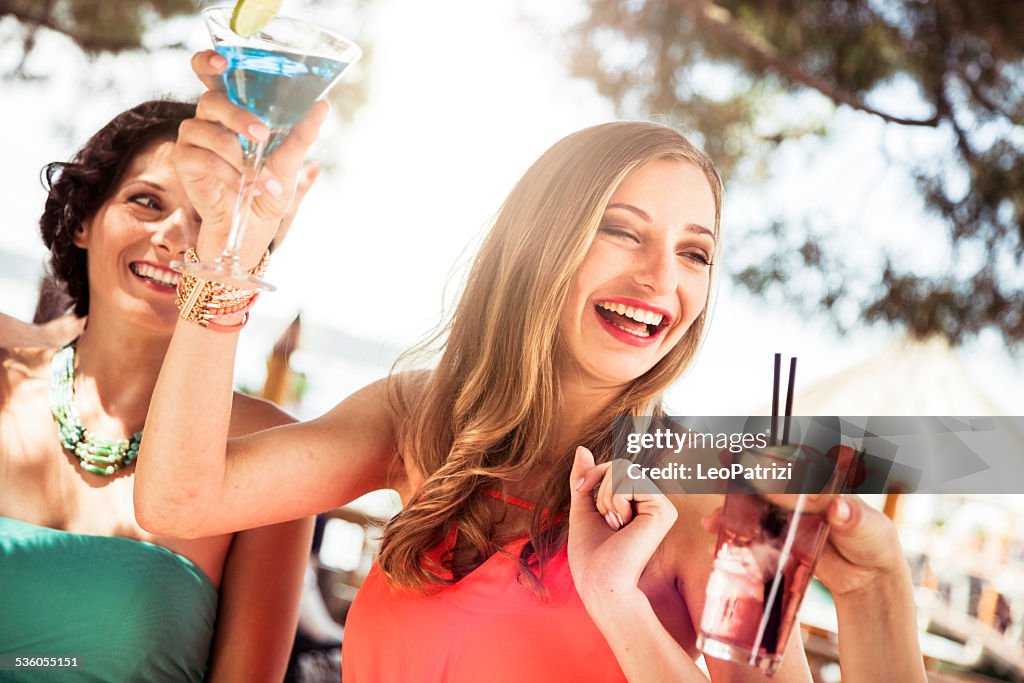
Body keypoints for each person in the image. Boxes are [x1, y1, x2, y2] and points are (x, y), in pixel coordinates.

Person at [136, 51, 926, 682]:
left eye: (695, 251)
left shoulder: (698, 498)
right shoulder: (420, 418)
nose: (662, 278)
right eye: (623, 231)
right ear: (540, 242)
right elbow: (179, 499)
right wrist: (227, 252)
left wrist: (617, 599)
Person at [0, 99, 314, 682]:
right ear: (82, 221)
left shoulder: (269, 450)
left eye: (207, 218)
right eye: (147, 201)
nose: (174, 237)